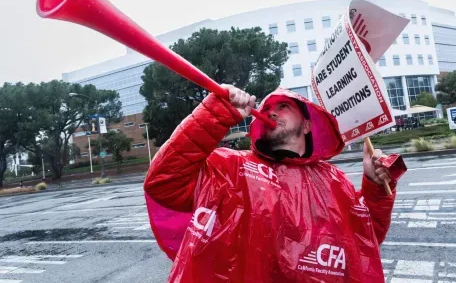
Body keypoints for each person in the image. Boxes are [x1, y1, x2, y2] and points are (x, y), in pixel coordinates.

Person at [144, 85, 407, 283]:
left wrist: (374, 187)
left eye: (283, 107)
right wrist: (216, 113)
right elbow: (164, 182)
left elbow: (365, 239)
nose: (271, 111)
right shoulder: (229, 167)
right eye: (268, 108)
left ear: (306, 125)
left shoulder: (333, 180)